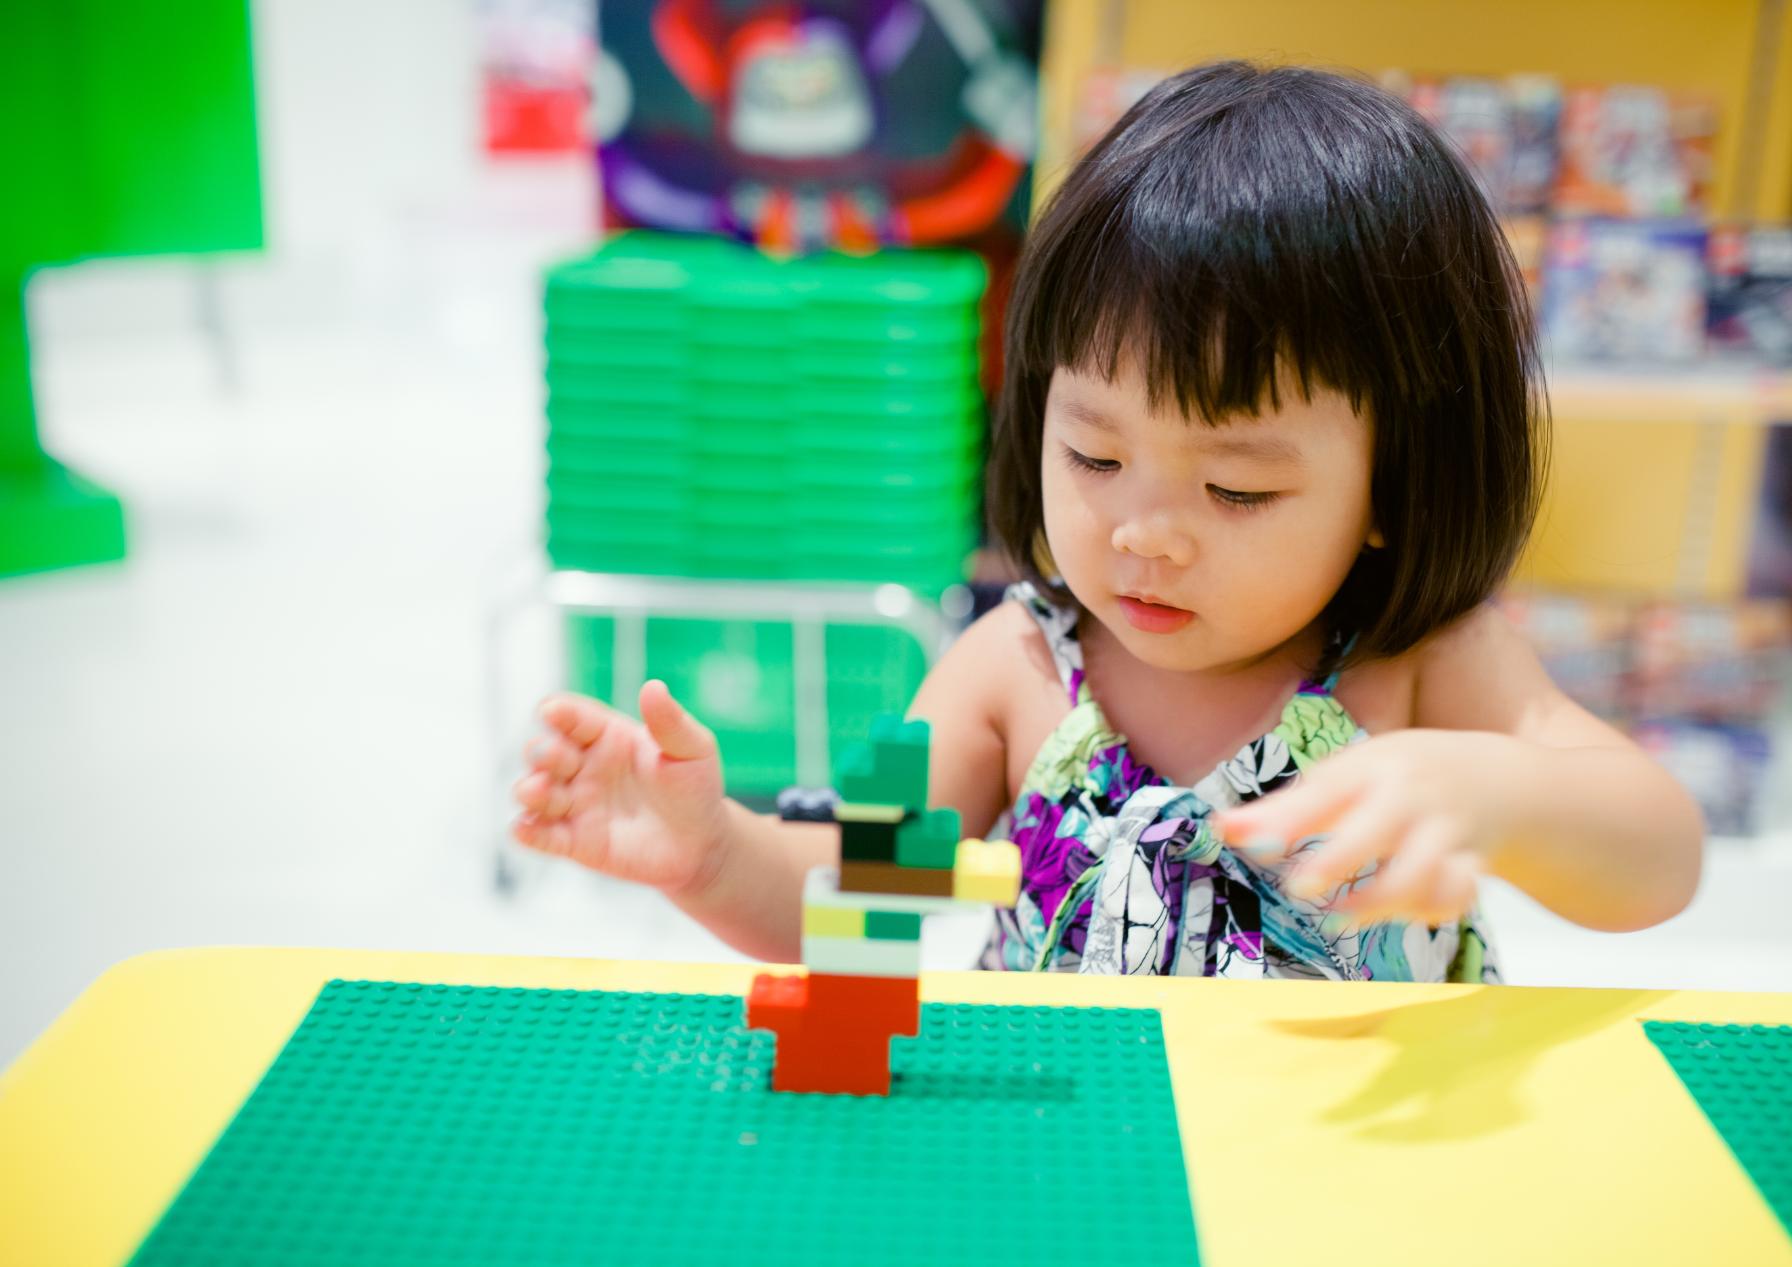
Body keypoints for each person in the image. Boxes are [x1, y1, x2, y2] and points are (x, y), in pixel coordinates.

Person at [511, 62, 1704, 981]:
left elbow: (1659, 859)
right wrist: (715, 850)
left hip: (1343, 1174)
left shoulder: (1422, 669)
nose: (1144, 531)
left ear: (1398, 482)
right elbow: (865, 887)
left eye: (1236, 487)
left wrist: (1502, 792)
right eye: (1093, 453)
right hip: (1064, 1159)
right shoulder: (1015, 672)